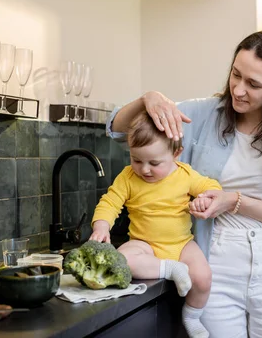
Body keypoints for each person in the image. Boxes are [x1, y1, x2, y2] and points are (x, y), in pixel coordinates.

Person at [106, 30, 262, 338]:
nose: (239, 90)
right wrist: (148, 100)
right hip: (215, 260)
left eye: (253, 84)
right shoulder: (200, 116)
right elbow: (118, 129)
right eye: (235, 75)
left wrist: (235, 201)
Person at [90, 111, 222, 338]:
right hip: (143, 244)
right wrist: (101, 225)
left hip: (181, 244)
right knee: (122, 260)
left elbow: (211, 187)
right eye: (136, 160)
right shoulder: (128, 177)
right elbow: (110, 202)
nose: (144, 169)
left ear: (176, 153)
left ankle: (191, 316)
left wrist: (205, 198)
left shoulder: (185, 175)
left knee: (203, 277)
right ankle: (171, 269)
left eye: (154, 162)